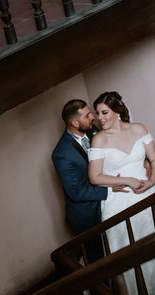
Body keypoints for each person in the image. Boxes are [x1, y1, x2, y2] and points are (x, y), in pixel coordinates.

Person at [88, 91, 155, 295]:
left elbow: (154, 157)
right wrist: (129, 181)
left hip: (149, 190)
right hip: (119, 198)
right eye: (97, 113)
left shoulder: (138, 129)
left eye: (104, 112)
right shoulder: (99, 139)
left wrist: (152, 179)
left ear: (117, 111)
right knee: (129, 246)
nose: (99, 117)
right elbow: (94, 177)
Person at [51, 99, 118, 261]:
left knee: (116, 247)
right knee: (98, 259)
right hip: (86, 214)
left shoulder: (92, 130)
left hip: (107, 203)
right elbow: (76, 192)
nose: (93, 118)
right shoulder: (61, 154)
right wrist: (110, 190)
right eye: (87, 115)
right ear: (74, 122)